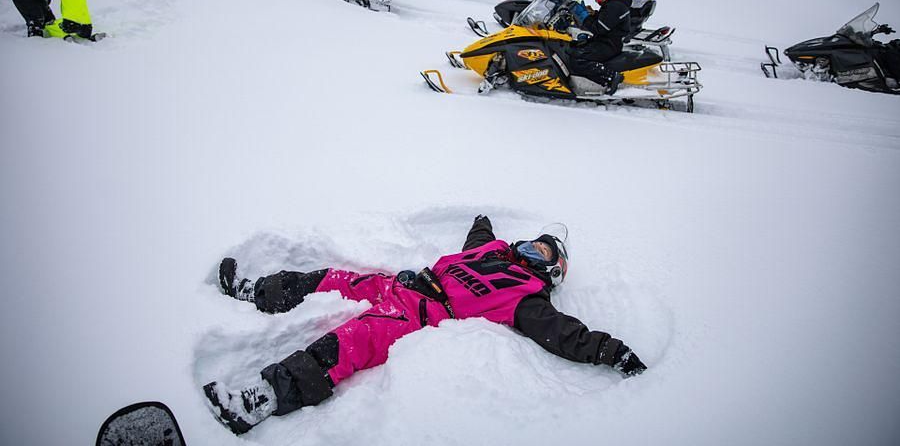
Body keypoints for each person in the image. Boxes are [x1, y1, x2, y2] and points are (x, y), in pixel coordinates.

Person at [203, 215, 647, 435]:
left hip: (417, 315)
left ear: (551, 271)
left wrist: (612, 352)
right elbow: (477, 232)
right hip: (402, 283)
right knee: (329, 278)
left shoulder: (526, 297)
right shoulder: (490, 250)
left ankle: (256, 401)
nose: (534, 249)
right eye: (535, 243)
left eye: (546, 254)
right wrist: (480, 219)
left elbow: (567, 335)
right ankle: (255, 291)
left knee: (349, 341)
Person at [568, 0, 633, 95]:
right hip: (606, 40)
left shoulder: (616, 5)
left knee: (577, 59)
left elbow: (599, 28)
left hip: (609, 44)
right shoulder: (616, 1)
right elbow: (605, 20)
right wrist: (593, 14)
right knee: (574, 45)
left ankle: (611, 78)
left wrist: (584, 16)